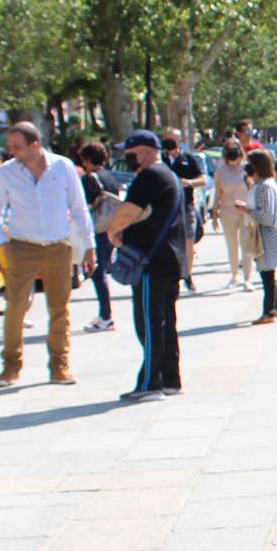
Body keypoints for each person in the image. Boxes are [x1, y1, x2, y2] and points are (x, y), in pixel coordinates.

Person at [0, 121, 94, 387]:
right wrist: (4, 244)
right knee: (15, 307)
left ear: (34, 145)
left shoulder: (62, 166)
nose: (11, 152)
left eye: (16, 147)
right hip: (22, 247)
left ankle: (59, 365)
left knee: (59, 308)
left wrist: (89, 245)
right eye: (10, 146)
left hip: (58, 246)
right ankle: (10, 365)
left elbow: (79, 208)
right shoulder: (7, 172)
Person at [106, 130, 189, 401]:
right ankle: (169, 379)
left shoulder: (150, 176)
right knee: (164, 322)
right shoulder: (168, 174)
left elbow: (128, 210)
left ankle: (150, 384)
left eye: (129, 154)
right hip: (169, 260)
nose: (127, 159)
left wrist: (113, 232)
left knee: (150, 324)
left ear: (143, 151)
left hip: (152, 264)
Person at [236, 147, 277, 324]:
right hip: (269, 237)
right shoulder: (266, 184)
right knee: (268, 274)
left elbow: (266, 217)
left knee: (267, 276)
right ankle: (276, 304)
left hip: (266, 238)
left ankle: (269, 311)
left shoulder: (264, 187)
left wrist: (245, 209)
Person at [78, 141, 122, 332]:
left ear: (88, 160)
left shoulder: (90, 179)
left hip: (97, 229)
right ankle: (104, 314)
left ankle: (106, 315)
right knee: (101, 270)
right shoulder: (109, 177)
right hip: (110, 227)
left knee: (98, 272)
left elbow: (84, 205)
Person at [161, 131, 207, 293]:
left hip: (185, 205)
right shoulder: (161, 159)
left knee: (188, 239)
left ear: (179, 140)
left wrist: (188, 183)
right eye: (166, 139)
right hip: (165, 207)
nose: (169, 143)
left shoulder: (188, 159)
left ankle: (187, 274)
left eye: (172, 139)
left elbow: (203, 180)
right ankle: (171, 275)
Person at [210, 140, 254, 289]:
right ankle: (234, 274)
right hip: (228, 211)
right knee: (232, 245)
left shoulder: (246, 168)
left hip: (246, 211)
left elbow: (253, 189)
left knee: (246, 245)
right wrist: (214, 214)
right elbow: (218, 193)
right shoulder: (220, 171)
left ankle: (247, 278)